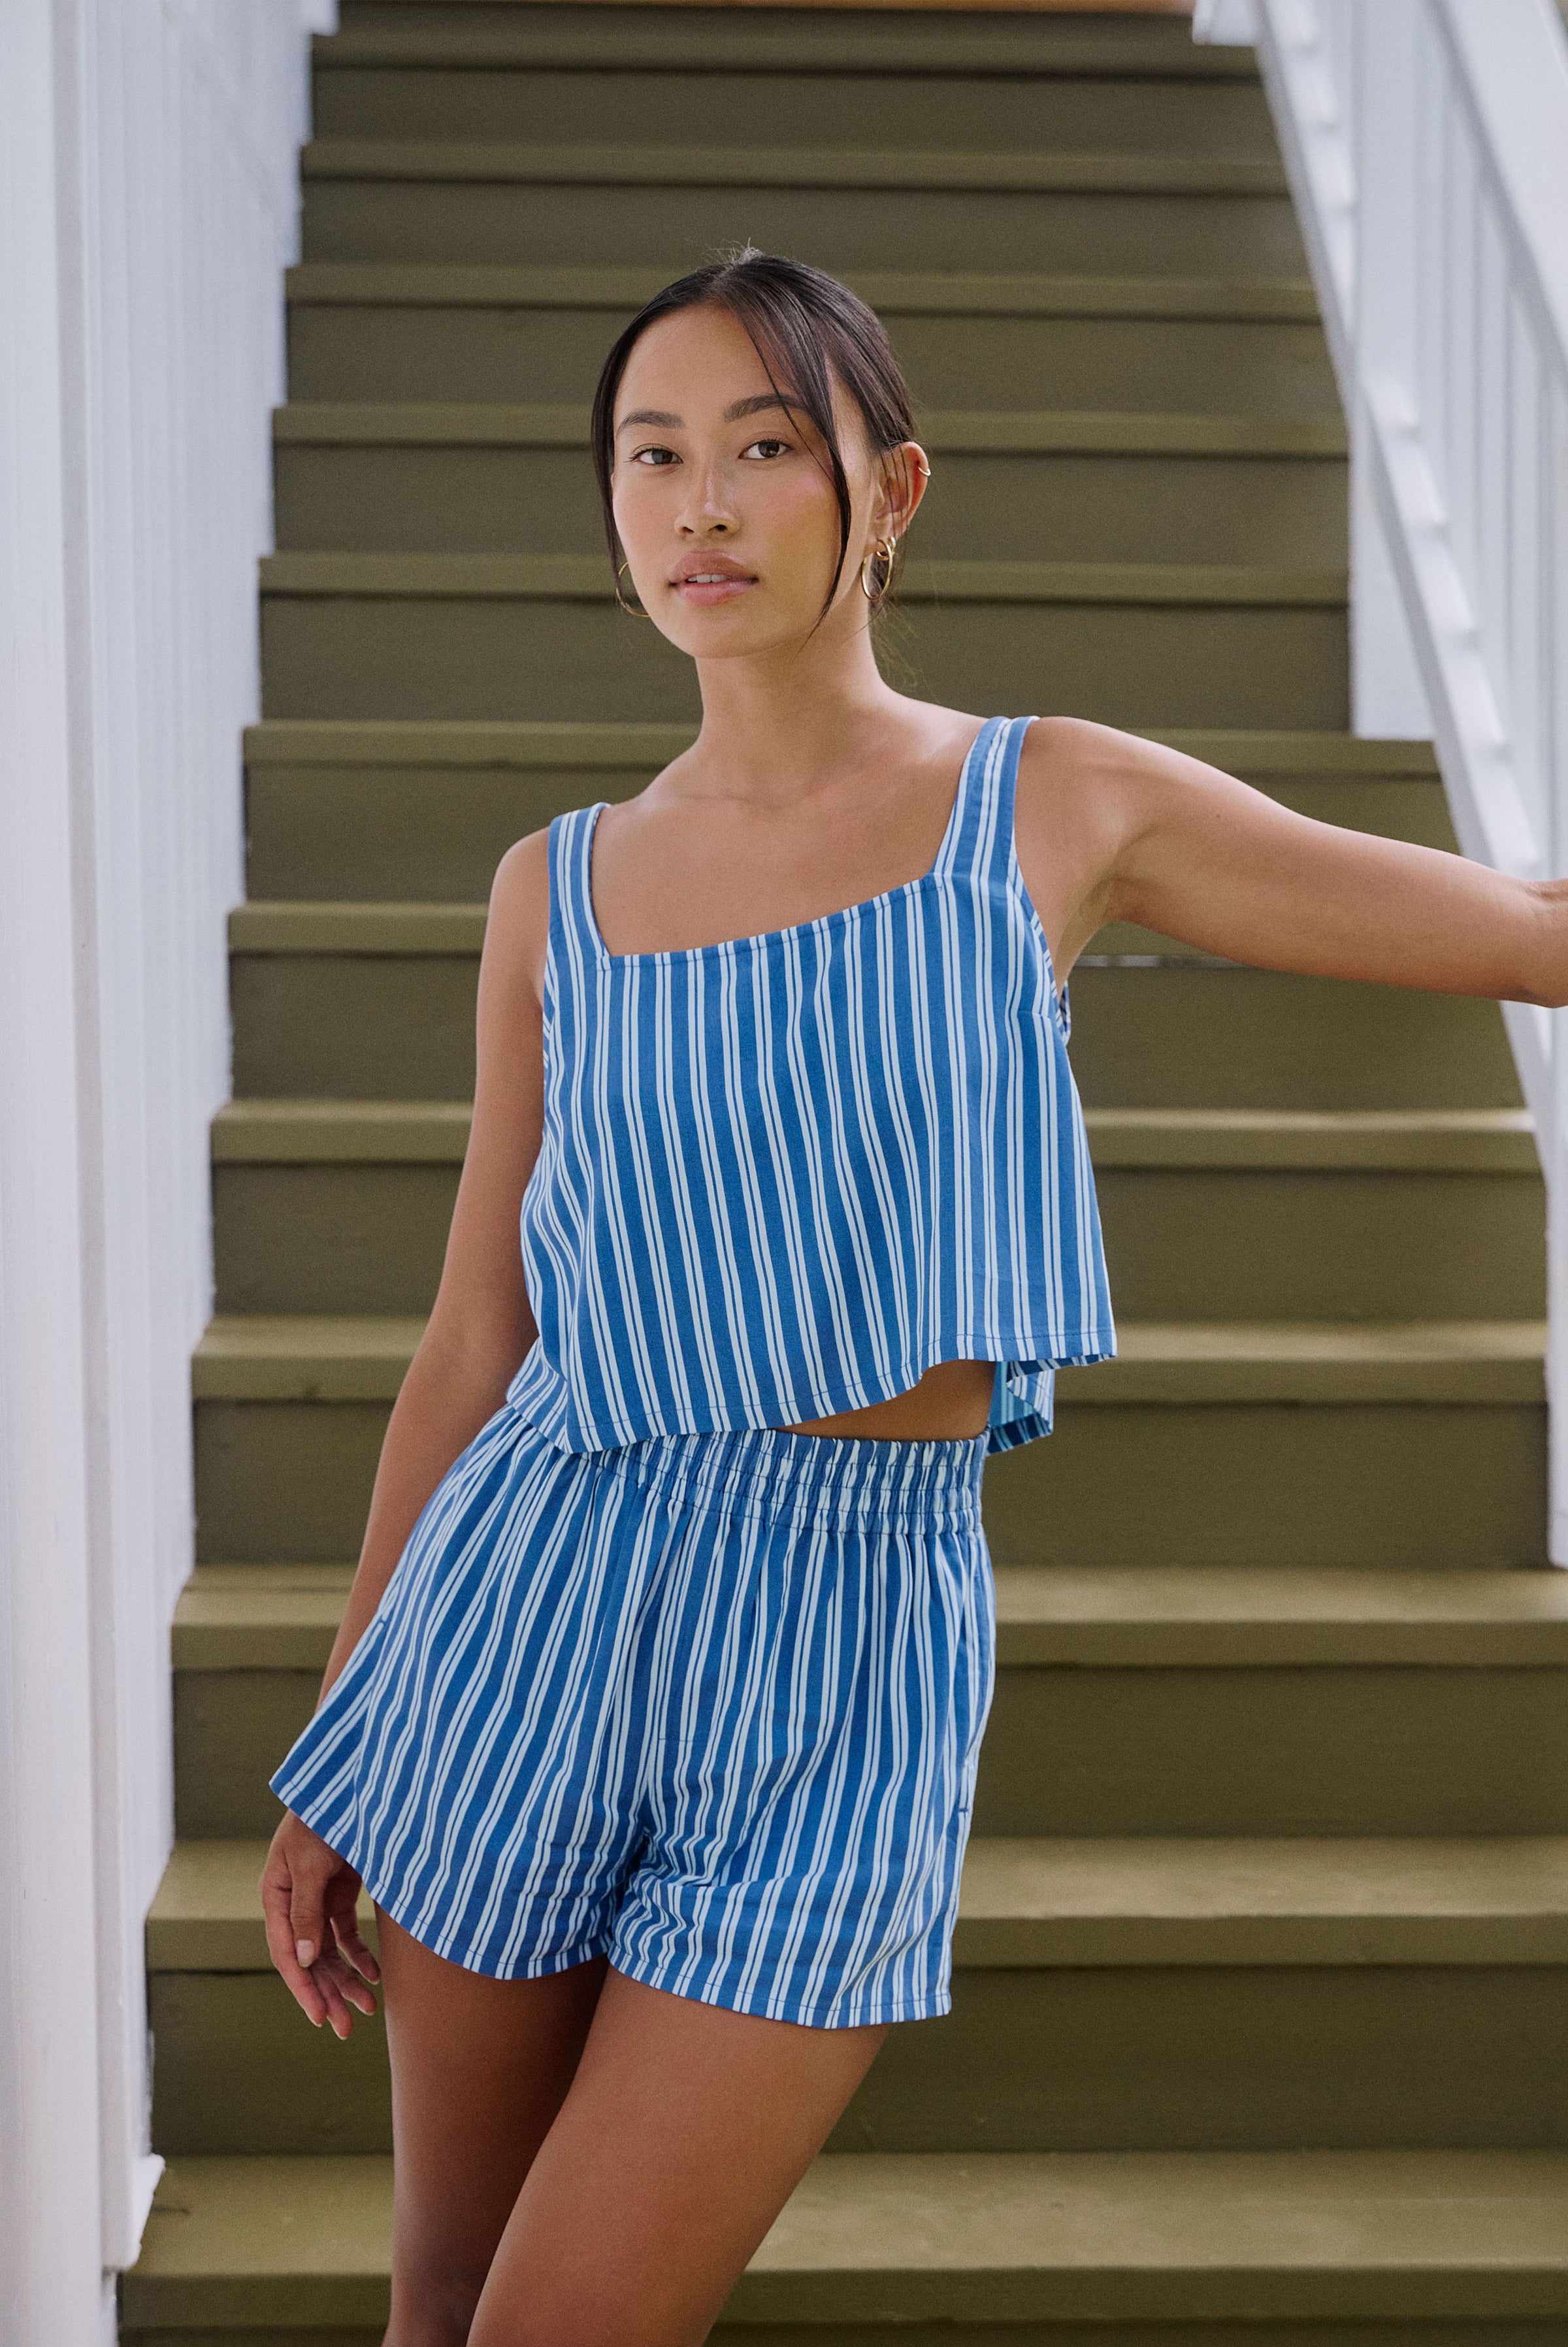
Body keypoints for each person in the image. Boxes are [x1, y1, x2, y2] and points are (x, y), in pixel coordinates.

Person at [261, 250, 1564, 2347]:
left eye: (765, 447)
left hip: (850, 1634)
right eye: (651, 455)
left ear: (891, 489)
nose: (700, 503)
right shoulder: (553, 888)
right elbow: (477, 1342)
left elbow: (1523, 930)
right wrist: (347, 1727)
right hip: (526, 1602)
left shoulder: (1053, 801)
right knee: (446, 2301)